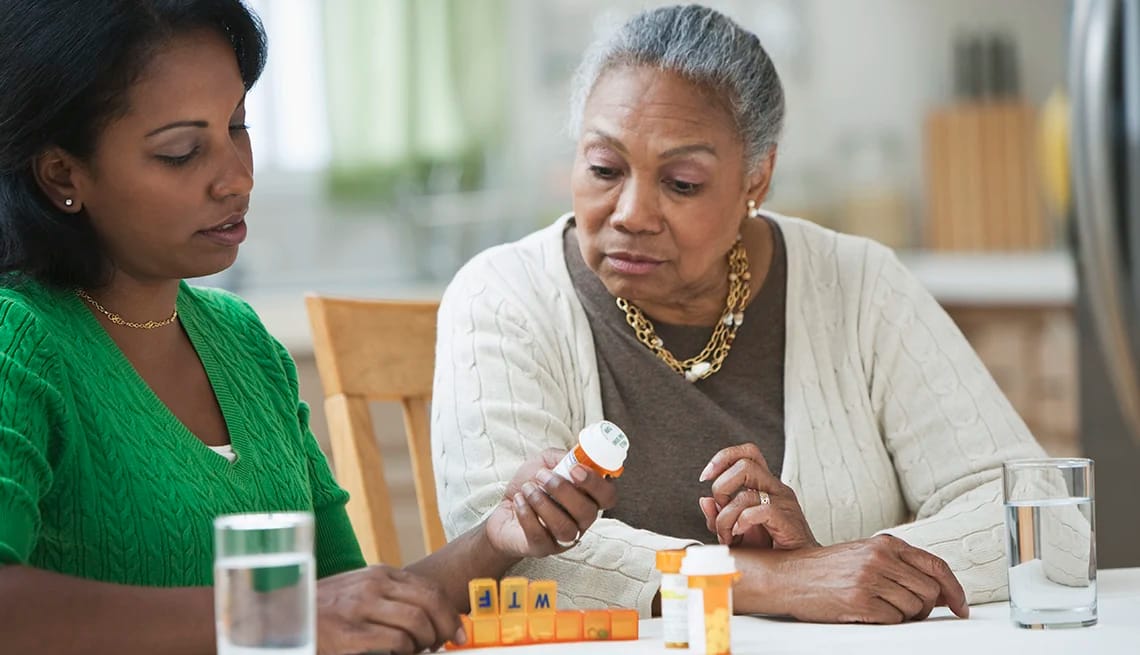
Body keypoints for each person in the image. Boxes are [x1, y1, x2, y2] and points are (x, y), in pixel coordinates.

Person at [0, 2, 615, 654]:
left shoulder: (243, 344)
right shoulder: (20, 341)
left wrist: (500, 534)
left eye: (239, 125)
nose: (237, 176)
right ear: (63, 173)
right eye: (181, 152)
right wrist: (268, 613)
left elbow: (346, 601)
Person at [432, 4, 1047, 624]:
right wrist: (781, 582)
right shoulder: (502, 295)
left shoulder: (860, 285)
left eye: (683, 183)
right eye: (604, 169)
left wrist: (833, 566)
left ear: (759, 177)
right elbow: (504, 548)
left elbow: (1041, 519)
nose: (631, 213)